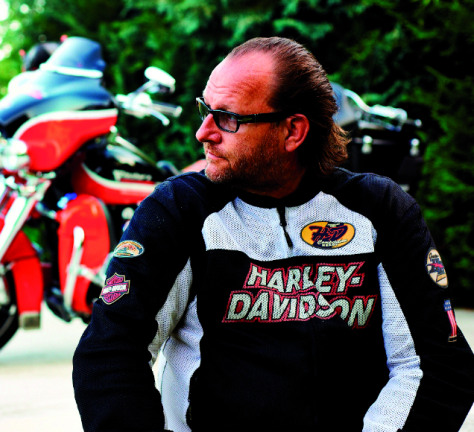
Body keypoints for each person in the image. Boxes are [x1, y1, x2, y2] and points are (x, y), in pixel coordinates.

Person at [72, 37, 474, 432]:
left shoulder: (381, 211)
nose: (203, 132)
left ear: (292, 131)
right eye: (205, 110)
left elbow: (437, 363)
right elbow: (111, 352)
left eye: (228, 118)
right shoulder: (179, 211)